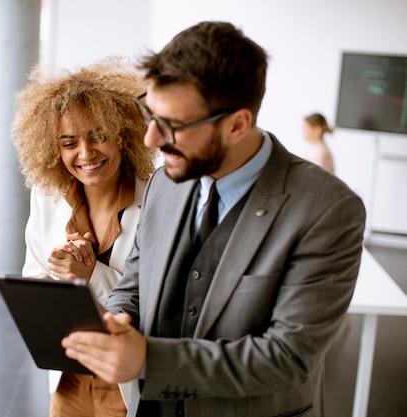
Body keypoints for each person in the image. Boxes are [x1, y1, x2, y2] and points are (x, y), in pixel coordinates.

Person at [61, 21, 366, 417]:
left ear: (237, 124)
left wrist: (147, 360)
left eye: (171, 125)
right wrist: (114, 322)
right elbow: (135, 285)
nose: (151, 138)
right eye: (149, 113)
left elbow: (288, 358)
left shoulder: (327, 209)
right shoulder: (165, 182)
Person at [11, 57, 157, 417]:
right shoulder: (46, 197)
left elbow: (157, 304)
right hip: (70, 375)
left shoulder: (158, 200)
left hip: (125, 383)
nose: (86, 153)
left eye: (99, 136)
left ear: (124, 133)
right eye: (69, 142)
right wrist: (54, 281)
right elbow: (33, 274)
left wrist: (90, 276)